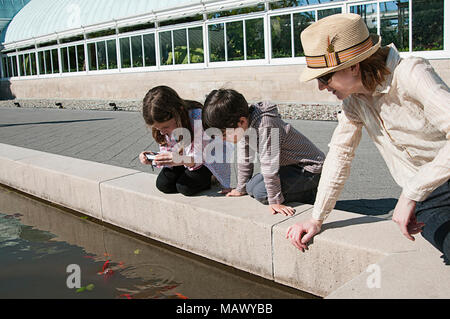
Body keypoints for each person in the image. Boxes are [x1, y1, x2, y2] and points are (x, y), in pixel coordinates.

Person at [286, 13, 450, 262]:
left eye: (324, 77)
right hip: (429, 199)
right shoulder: (353, 102)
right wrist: (316, 218)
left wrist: (411, 193)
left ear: (354, 65)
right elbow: (340, 155)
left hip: (423, 190)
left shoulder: (411, 73)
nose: (321, 86)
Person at [202, 88, 325, 215]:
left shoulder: (266, 125)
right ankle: (298, 189)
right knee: (250, 187)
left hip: (310, 169)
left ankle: (312, 193)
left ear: (242, 121)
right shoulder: (244, 126)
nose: (222, 139)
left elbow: (269, 165)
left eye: (223, 134)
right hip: (289, 166)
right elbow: (245, 159)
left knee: (261, 193)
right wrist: (240, 188)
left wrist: (275, 201)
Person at [139, 85, 231, 196]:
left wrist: (179, 159)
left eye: (165, 127)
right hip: (182, 159)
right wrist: (154, 158)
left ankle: (212, 178)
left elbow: (198, 158)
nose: (162, 132)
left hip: (206, 162)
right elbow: (167, 149)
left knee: (184, 187)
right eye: (158, 129)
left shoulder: (197, 118)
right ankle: (186, 173)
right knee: (163, 184)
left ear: (178, 114)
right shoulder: (163, 124)